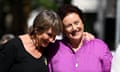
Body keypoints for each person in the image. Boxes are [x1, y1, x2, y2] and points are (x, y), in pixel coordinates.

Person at [47, 4, 113, 72]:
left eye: (76, 23)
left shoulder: (100, 47)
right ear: (63, 30)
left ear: (82, 23)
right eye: (69, 26)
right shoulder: (54, 48)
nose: (74, 28)